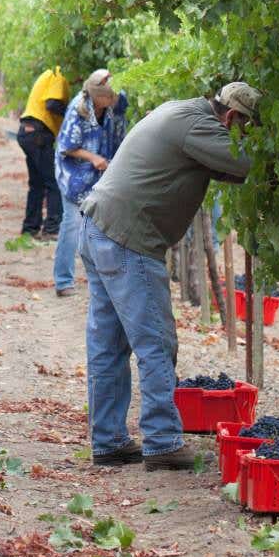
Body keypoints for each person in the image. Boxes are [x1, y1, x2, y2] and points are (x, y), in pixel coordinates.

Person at [77, 81, 260, 469]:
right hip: (128, 239)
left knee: (109, 344)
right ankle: (162, 442)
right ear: (231, 118)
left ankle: (108, 441)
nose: (246, 139)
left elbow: (227, 172)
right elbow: (247, 164)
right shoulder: (200, 128)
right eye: (247, 131)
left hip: (98, 227)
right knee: (156, 342)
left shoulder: (183, 111)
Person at [53, 71, 127, 296]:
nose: (114, 100)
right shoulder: (78, 109)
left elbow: (121, 133)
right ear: (97, 97)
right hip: (74, 176)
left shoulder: (118, 101)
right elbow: (67, 146)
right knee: (73, 224)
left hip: (103, 176)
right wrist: (93, 158)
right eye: (109, 97)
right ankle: (63, 281)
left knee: (103, 226)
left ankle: (105, 280)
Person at [17, 66, 69, 237]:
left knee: (37, 184)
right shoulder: (58, 74)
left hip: (27, 133)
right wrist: (72, 112)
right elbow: (52, 104)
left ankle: (30, 228)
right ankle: (52, 229)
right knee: (54, 182)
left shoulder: (48, 73)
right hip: (39, 135)